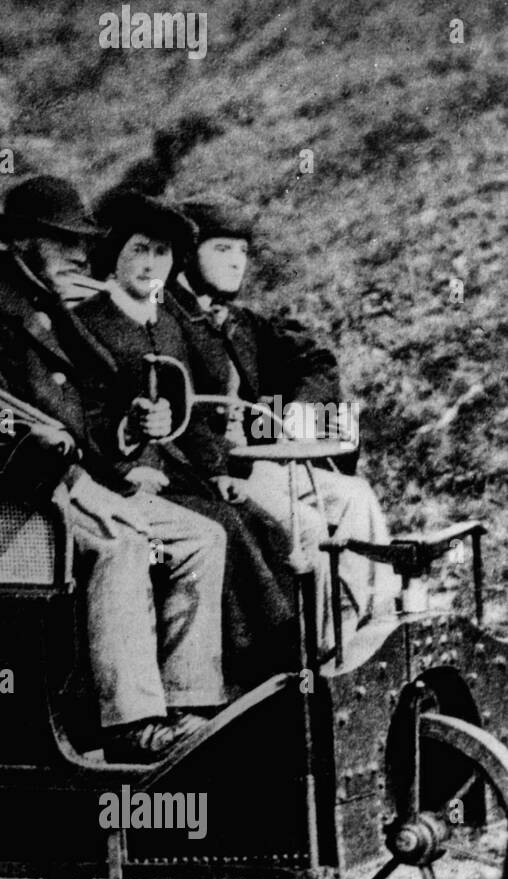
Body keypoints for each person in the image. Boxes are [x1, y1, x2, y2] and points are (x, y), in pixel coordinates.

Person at [0, 175, 228, 762]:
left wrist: (129, 427)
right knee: (120, 541)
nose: (81, 255)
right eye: (64, 241)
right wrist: (78, 485)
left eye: (83, 242)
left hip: (70, 481)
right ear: (22, 242)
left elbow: (90, 408)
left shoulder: (48, 306)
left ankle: (189, 702)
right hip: (10, 492)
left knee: (202, 537)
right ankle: (133, 725)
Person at [69, 190, 300, 688]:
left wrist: (217, 473)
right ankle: (246, 663)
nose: (151, 264)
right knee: (224, 528)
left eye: (162, 253)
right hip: (120, 480)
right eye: (139, 250)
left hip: (177, 471)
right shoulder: (87, 324)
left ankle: (275, 656)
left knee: (262, 522)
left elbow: (190, 412)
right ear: (113, 254)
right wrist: (128, 451)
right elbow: (82, 417)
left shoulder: (167, 323)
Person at [171, 194, 399, 651]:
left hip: (256, 463)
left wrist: (298, 410)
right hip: (206, 475)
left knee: (355, 498)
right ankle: (321, 650)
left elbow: (315, 361)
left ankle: (374, 627)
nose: (237, 262)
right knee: (307, 528)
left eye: (242, 251)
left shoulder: (239, 321)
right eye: (222, 249)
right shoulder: (165, 319)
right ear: (186, 255)